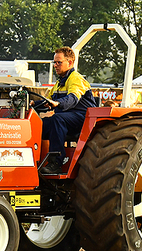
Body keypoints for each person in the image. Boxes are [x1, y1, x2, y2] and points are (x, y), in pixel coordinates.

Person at [37, 46, 97, 174]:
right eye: (55, 62)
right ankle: (35, 161)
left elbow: (72, 99)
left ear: (70, 63)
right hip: (66, 118)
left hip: (82, 119)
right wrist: (31, 103)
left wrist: (58, 103)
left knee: (57, 119)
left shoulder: (76, 78)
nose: (55, 65)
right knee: (37, 125)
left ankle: (56, 162)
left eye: (59, 62)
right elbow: (46, 101)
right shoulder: (59, 83)